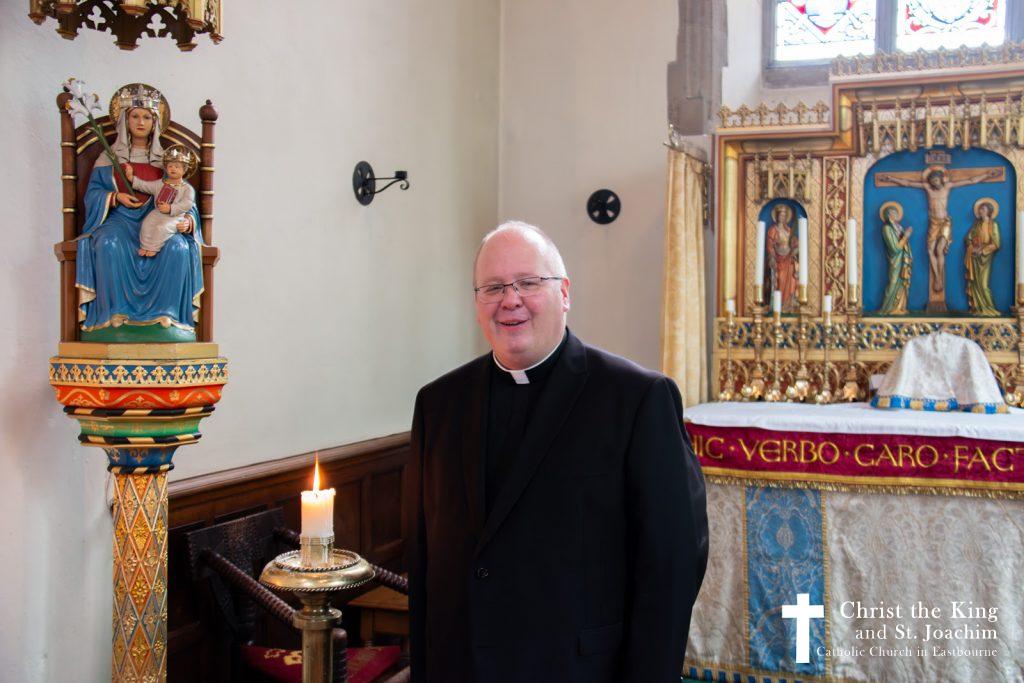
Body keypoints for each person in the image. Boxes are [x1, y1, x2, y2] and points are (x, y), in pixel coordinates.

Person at [406, 221, 709, 683]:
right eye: (493, 287)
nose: (510, 300)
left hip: (579, 669)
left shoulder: (636, 399)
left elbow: (671, 567)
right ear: (477, 303)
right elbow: (425, 563)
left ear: (564, 293)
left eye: (528, 283)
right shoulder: (437, 405)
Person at [76, 84, 204, 341]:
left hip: (161, 222)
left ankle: (168, 319)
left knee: (179, 248)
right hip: (121, 220)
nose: (141, 122)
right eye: (135, 115)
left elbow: (184, 197)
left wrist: (188, 222)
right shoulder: (108, 157)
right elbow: (92, 195)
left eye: (147, 117)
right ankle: (113, 319)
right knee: (108, 243)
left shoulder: (168, 161)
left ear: (156, 122)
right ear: (124, 119)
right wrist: (114, 197)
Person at [123, 145, 198, 257]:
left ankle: (153, 248)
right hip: (158, 213)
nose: (173, 169)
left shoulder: (187, 189)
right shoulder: (160, 184)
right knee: (147, 224)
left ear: (184, 169)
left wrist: (171, 208)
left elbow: (187, 204)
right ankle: (145, 247)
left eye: (177, 167)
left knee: (161, 228)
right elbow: (145, 186)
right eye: (170, 166)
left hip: (175, 217)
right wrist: (131, 178)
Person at [964, 199, 1001, 316]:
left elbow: (996, 244)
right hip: (975, 256)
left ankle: (990, 309)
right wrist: (971, 247)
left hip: (985, 256)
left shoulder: (993, 225)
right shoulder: (977, 225)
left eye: (983, 209)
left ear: (989, 211)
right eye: (980, 209)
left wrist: (983, 250)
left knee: (984, 285)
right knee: (975, 283)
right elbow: (968, 238)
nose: (980, 211)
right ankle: (978, 308)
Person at [879, 202, 912, 315]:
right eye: (893, 213)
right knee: (893, 282)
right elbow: (894, 248)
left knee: (902, 282)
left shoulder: (899, 227)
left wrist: (905, 235)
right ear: (888, 215)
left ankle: (899, 307)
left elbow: (904, 245)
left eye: (896, 213)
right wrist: (906, 236)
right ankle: (887, 308)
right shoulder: (887, 229)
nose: (895, 215)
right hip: (895, 260)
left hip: (903, 259)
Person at [765, 203, 799, 312]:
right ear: (777, 216)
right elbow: (770, 246)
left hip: (789, 259)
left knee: (793, 280)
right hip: (778, 260)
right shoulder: (773, 230)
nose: (782, 217)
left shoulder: (789, 230)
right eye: (780, 215)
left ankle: (788, 305)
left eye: (784, 216)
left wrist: (795, 246)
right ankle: (778, 305)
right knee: (780, 279)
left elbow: (793, 243)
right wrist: (772, 257)